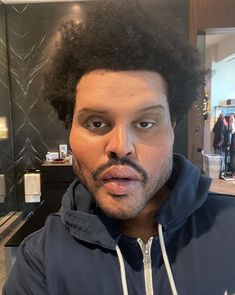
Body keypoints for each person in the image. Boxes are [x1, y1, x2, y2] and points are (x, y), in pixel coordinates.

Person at [3, 1, 235, 294]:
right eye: (97, 124)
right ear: (70, 129)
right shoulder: (40, 263)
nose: (121, 147)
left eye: (145, 123)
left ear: (172, 127)